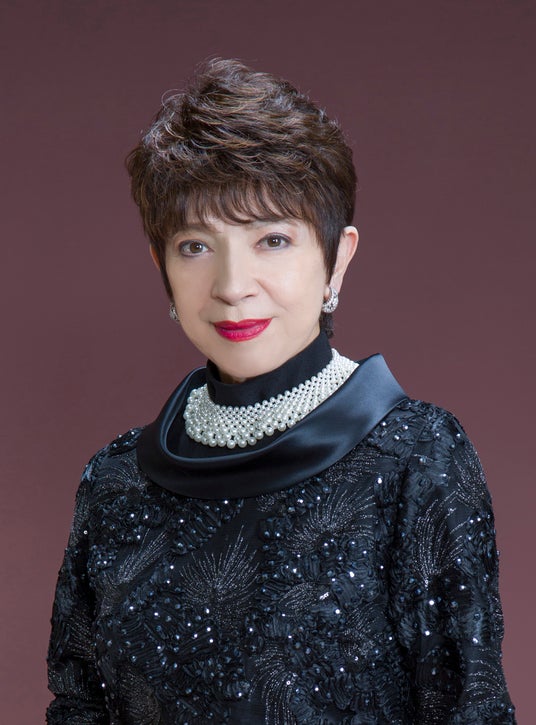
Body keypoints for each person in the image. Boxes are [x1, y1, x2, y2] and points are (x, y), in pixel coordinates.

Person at [47, 58, 515, 724]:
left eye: (271, 239)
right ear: (162, 267)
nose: (233, 285)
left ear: (337, 258)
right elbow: (78, 707)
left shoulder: (417, 457)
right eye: (195, 246)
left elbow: (469, 707)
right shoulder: (115, 481)